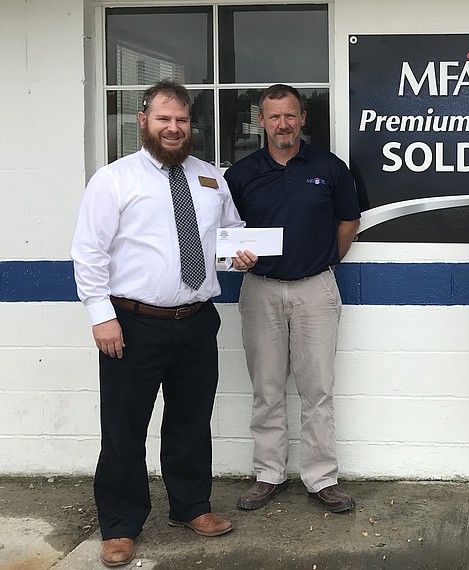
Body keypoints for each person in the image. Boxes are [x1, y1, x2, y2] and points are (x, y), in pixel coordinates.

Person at [71, 80, 257, 567]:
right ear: (144, 122)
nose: (173, 128)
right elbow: (88, 253)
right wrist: (101, 317)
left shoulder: (211, 177)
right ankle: (120, 524)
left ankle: (190, 507)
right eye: (164, 119)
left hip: (197, 322)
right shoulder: (114, 179)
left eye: (181, 120)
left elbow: (231, 231)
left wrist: (239, 253)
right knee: (124, 429)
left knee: (191, 422)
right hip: (132, 324)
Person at [224, 84, 361, 514]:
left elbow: (348, 222)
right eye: (273, 116)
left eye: (290, 115)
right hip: (260, 289)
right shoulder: (241, 174)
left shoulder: (330, 168)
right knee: (267, 388)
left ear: (303, 118)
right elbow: (227, 234)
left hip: (315, 288)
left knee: (317, 389)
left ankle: (322, 479)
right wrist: (236, 257)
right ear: (260, 121)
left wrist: (322, 262)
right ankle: (268, 474)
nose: (282, 124)